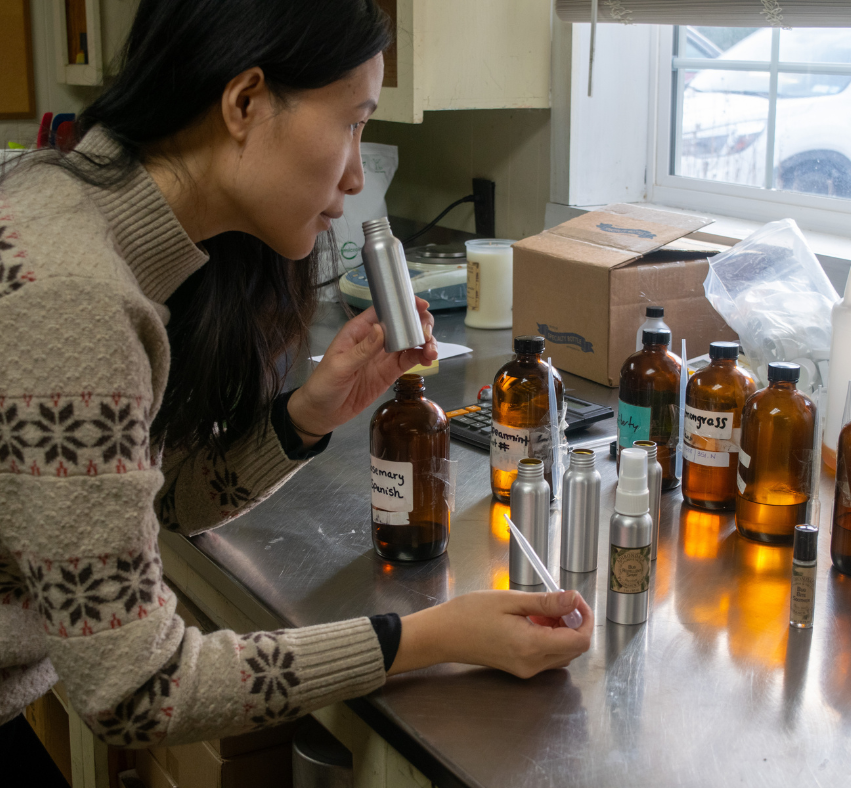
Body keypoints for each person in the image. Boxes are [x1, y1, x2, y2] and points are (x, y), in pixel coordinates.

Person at [0, 0, 592, 744]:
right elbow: (140, 688)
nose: (354, 174)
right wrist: (428, 638)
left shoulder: (76, 207)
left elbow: (160, 504)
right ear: (244, 102)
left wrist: (305, 415)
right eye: (351, 122)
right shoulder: (75, 300)